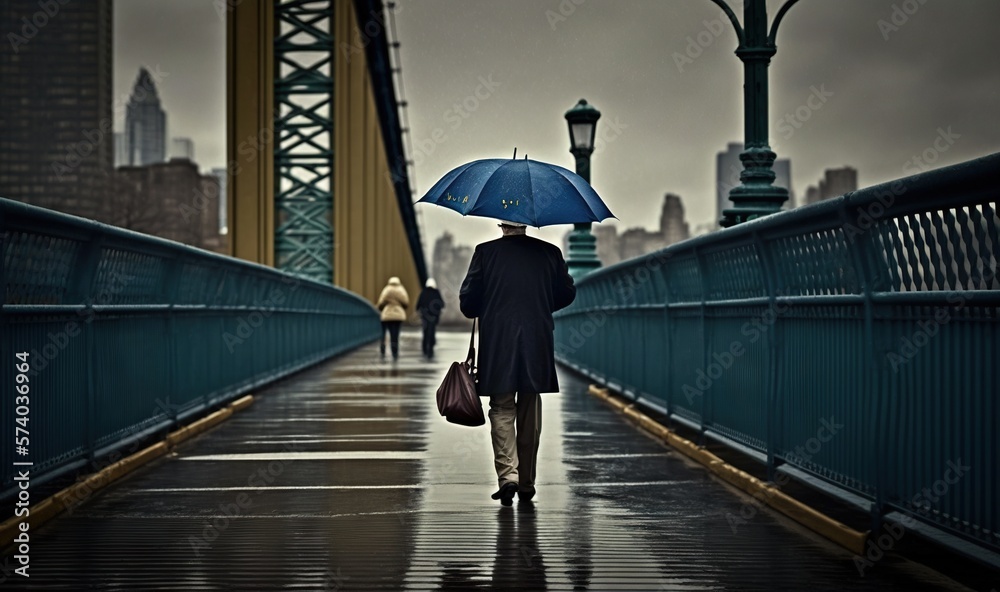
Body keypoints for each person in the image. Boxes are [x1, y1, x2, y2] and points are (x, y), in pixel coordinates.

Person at [459, 220, 576, 506]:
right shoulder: (550, 253)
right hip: (536, 338)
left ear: (501, 225)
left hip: (498, 340)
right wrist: (539, 303)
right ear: (525, 223)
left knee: (501, 407)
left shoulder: (485, 253)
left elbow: (467, 303)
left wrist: (489, 302)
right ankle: (526, 483)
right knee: (529, 408)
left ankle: (507, 476)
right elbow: (567, 293)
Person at [376, 276, 409, 360]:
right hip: (398, 315)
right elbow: (406, 303)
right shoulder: (401, 290)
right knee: (395, 334)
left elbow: (380, 303)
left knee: (386, 332)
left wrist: (381, 308)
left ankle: (383, 347)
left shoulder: (386, 289)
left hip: (387, 314)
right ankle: (395, 351)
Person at [416, 278, 445, 358]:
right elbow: (442, 304)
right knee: (431, 331)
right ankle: (430, 348)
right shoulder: (436, 293)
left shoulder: (424, 293)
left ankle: (425, 348)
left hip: (425, 317)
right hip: (434, 317)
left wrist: (420, 310)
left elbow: (419, 304)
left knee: (425, 332)